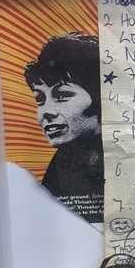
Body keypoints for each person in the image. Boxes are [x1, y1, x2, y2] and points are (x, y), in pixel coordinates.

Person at [23, 32, 103, 223]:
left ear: (100, 99)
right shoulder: (64, 159)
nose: (46, 112)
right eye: (40, 99)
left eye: (62, 96)